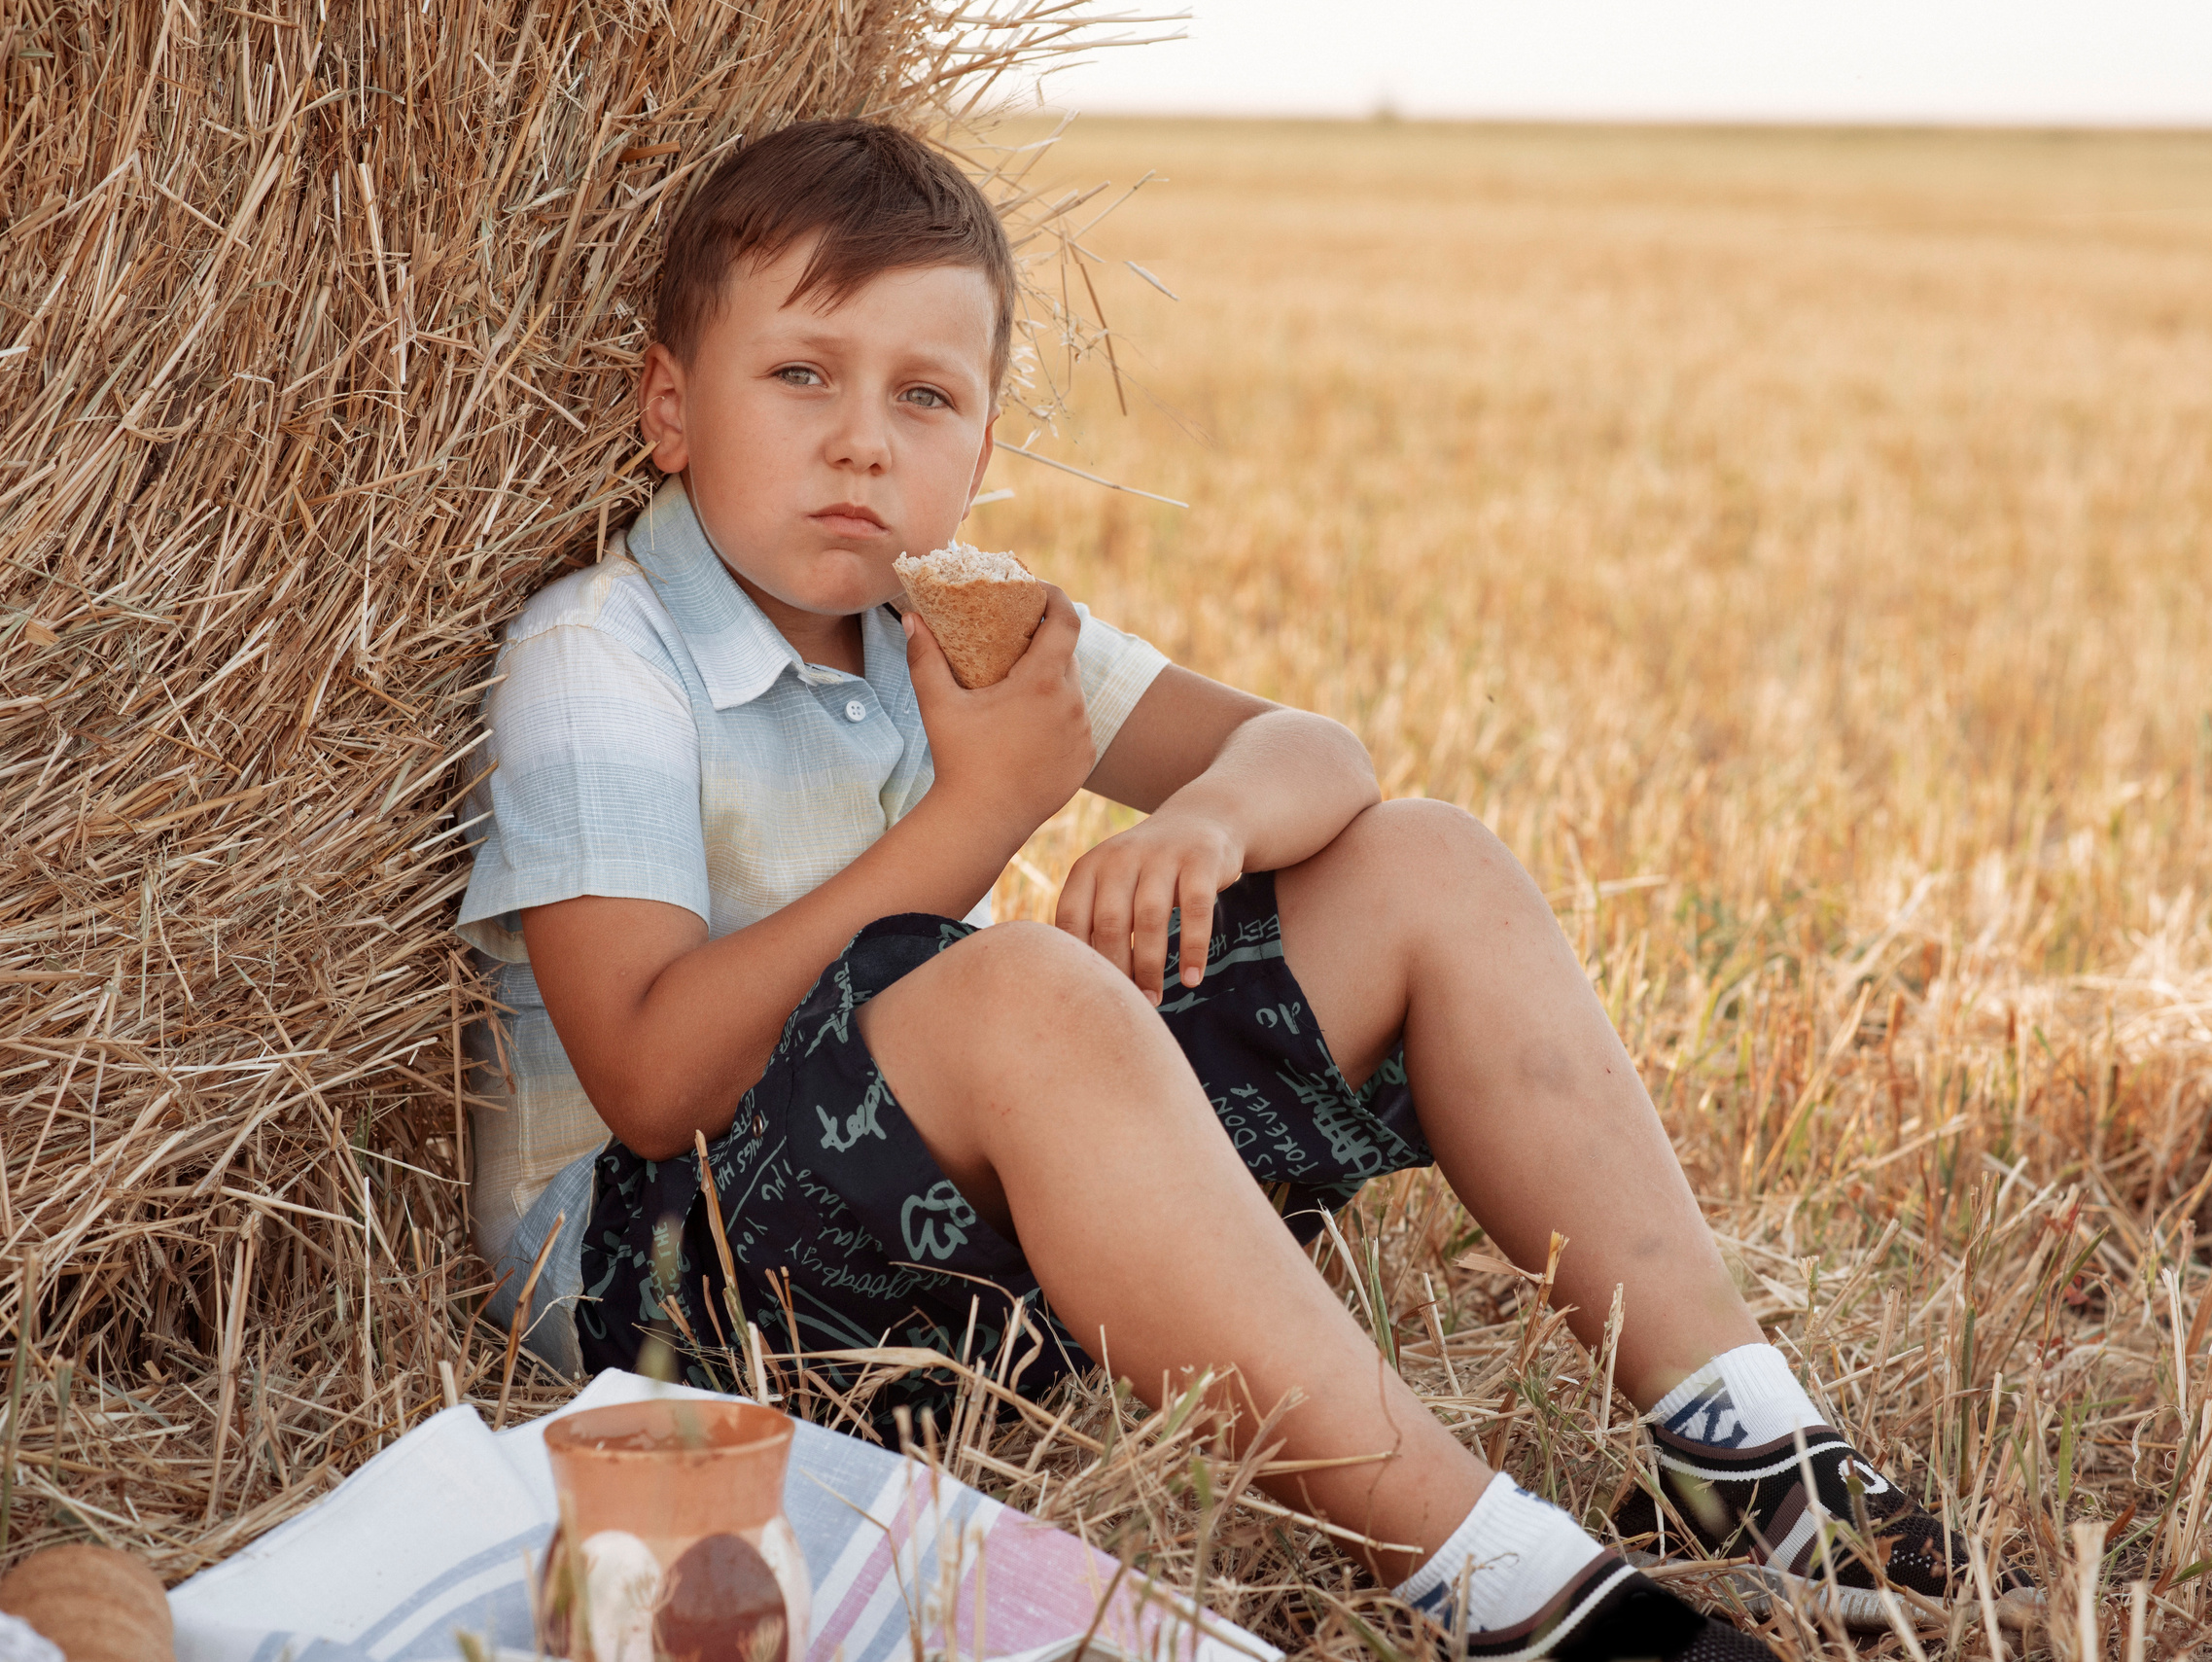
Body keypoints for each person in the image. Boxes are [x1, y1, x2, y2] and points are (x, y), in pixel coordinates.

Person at [454, 120, 2038, 1656]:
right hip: (665, 1299)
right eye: (802, 374)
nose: (863, 436)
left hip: (943, 1247)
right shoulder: (603, 650)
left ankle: (1749, 1451)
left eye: (924, 395)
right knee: (1019, 984)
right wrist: (980, 814)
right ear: (670, 407)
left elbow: (1313, 749)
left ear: (983, 448)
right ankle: (1497, 1579)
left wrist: (1203, 826)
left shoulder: (965, 620)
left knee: (1428, 864)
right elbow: (652, 1079)